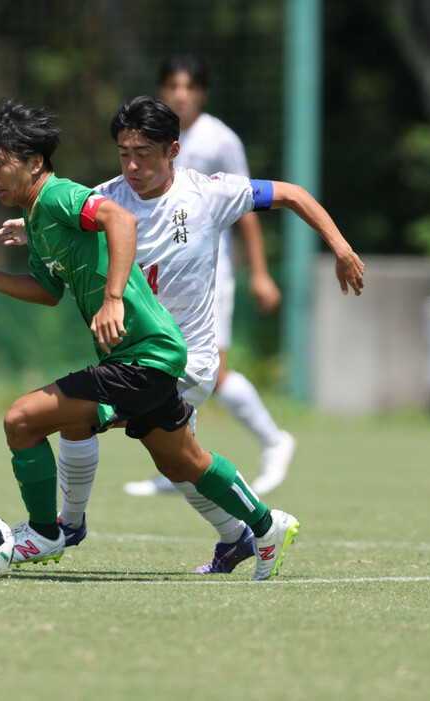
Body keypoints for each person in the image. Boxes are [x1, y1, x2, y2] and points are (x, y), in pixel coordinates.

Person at [0, 99, 305, 581]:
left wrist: (113, 299)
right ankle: (263, 525)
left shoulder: (56, 197)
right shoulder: (39, 220)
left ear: (34, 162)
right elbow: (48, 293)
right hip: (150, 354)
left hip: (143, 354)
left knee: (23, 420)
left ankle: (53, 531)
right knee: (183, 459)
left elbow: (121, 220)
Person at [124, 55, 296, 499]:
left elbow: (249, 206)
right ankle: (176, 458)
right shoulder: (150, 139)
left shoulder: (221, 139)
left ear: (202, 92)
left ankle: (273, 441)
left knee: (209, 370)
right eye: (173, 86)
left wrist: (258, 272)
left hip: (211, 277)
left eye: (189, 87)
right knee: (168, 364)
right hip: (165, 278)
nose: (181, 94)